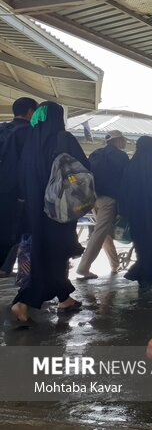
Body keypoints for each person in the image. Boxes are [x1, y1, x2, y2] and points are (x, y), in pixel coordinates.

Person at [10, 101, 86, 322]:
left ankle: (64, 298)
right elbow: (85, 171)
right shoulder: (64, 139)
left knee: (48, 252)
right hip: (60, 209)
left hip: (36, 210)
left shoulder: (31, 141)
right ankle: (23, 302)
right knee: (54, 255)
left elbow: (21, 177)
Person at [77, 129, 129, 279]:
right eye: (123, 139)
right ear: (118, 140)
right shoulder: (121, 156)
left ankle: (114, 264)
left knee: (104, 233)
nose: (124, 142)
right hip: (109, 199)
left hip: (94, 198)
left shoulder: (96, 153)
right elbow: (126, 180)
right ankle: (84, 267)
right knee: (100, 233)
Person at [120, 135, 152, 292]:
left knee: (140, 245)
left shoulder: (131, 166)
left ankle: (143, 275)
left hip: (135, 213)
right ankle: (148, 274)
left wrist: (125, 211)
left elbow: (124, 191)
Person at [0, 97, 38, 277]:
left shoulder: (2, 129)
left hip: (2, 190)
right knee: (20, 232)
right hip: (18, 193)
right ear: (31, 111)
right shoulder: (29, 133)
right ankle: (8, 268)